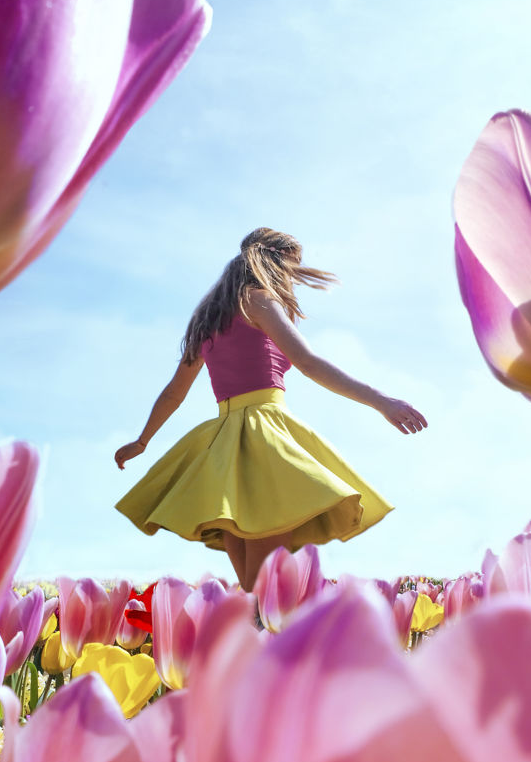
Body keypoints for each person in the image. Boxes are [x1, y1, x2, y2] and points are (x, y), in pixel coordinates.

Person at [114, 228, 427, 591]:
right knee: (270, 589)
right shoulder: (260, 301)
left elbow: (174, 393)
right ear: (274, 263)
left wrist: (143, 441)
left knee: (254, 586)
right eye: (291, 270)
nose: (292, 280)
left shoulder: (208, 319)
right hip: (265, 435)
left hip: (222, 447)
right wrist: (381, 400)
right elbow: (307, 362)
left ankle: (278, 629)